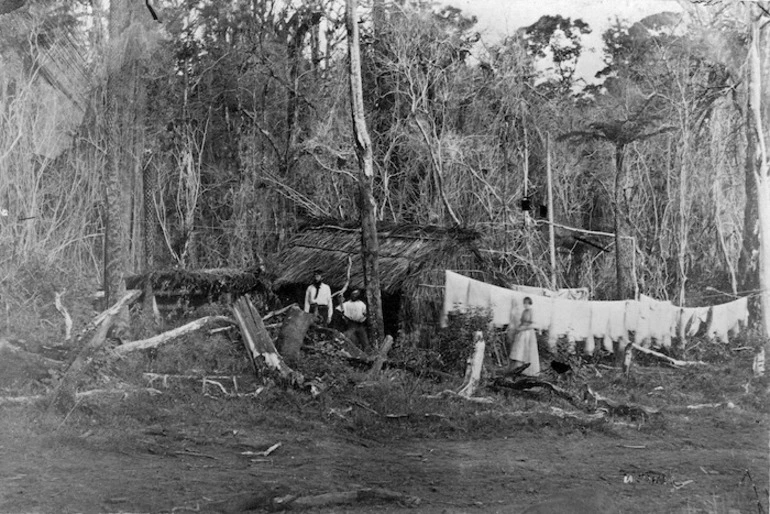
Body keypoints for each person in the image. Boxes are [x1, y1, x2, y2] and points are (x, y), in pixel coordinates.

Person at [508, 297, 540, 376]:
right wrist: (518, 328)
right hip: (521, 332)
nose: (525, 305)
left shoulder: (532, 312)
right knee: (519, 351)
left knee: (526, 350)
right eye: (524, 303)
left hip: (528, 333)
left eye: (527, 303)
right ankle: (518, 369)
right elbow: (521, 322)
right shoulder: (524, 311)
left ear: (530, 303)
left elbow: (533, 325)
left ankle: (527, 370)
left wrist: (523, 328)